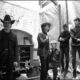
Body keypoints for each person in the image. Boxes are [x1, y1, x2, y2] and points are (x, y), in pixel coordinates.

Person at [0, 15, 18, 80]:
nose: (7, 25)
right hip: (1, 58)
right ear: (3, 24)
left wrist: (15, 60)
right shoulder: (0, 34)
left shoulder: (14, 36)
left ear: (11, 25)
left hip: (10, 58)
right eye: (5, 23)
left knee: (10, 75)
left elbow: (16, 49)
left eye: (8, 23)